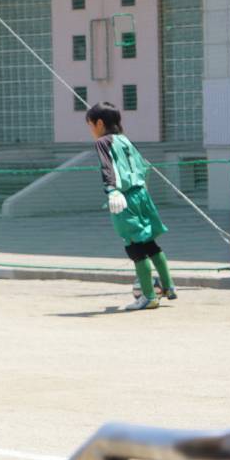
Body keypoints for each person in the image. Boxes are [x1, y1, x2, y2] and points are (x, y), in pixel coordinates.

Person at [86, 101, 177, 311]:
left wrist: (112, 190)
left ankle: (148, 296)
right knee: (149, 242)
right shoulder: (125, 140)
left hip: (124, 197)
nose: (91, 130)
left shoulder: (103, 142)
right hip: (142, 194)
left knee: (134, 247)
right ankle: (169, 286)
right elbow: (143, 166)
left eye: (90, 125)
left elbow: (107, 167)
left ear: (99, 123)